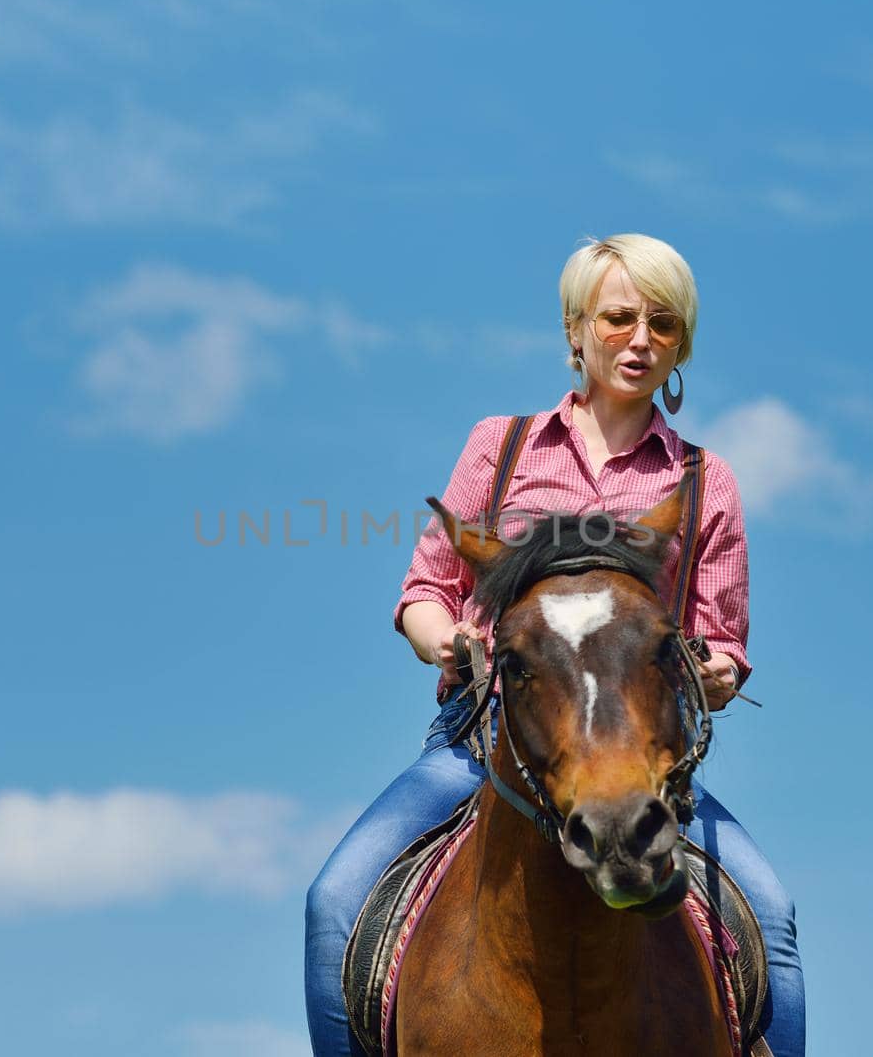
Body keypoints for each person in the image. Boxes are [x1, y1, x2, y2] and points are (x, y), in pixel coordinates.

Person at [303, 233, 806, 1056]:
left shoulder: (703, 481)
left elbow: (722, 639)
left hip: (643, 768)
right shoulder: (499, 448)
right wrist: (446, 639)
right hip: (481, 747)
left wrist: (714, 673)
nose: (640, 340)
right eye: (618, 319)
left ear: (683, 344)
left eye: (663, 323)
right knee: (334, 905)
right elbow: (425, 591)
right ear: (576, 331)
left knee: (773, 923)